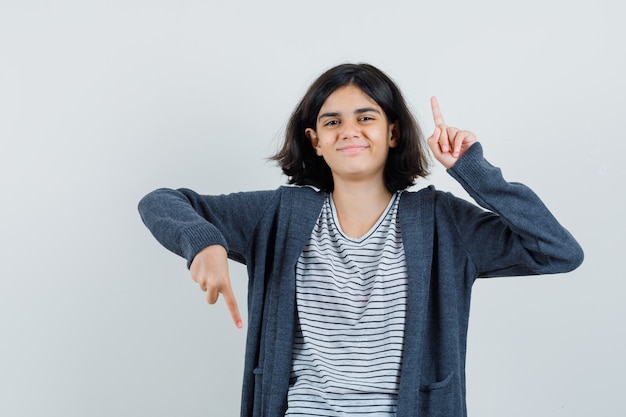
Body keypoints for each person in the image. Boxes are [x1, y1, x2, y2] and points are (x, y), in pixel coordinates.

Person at [138, 63, 583, 417]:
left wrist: (472, 169)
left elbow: (557, 250)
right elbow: (161, 201)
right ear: (315, 141)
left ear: (392, 132)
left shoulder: (442, 222)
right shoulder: (279, 214)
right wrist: (203, 242)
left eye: (365, 117)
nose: (349, 130)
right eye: (332, 121)